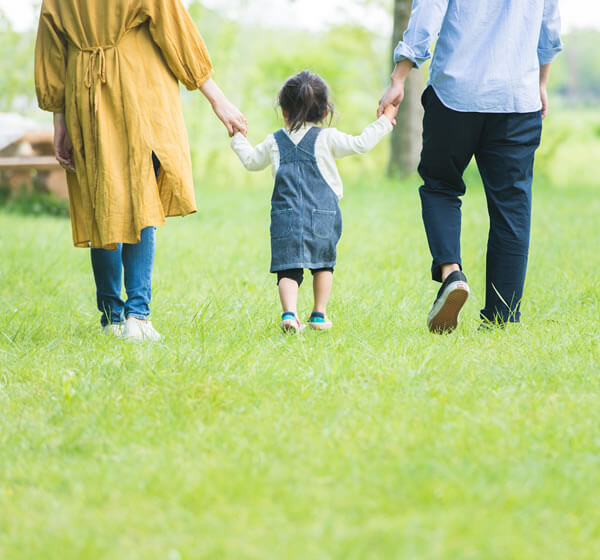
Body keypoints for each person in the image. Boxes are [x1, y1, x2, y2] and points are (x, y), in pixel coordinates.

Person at [34, 0, 247, 341]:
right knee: (140, 195)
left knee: (101, 199)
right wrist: (217, 99)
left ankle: (111, 318)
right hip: (137, 91)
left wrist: (59, 119)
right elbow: (175, 31)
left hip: (84, 95)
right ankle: (138, 315)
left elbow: (51, 48)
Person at [378, 0, 562, 333]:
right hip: (517, 99)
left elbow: (426, 17)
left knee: (441, 186)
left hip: (456, 96)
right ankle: (501, 318)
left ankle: (452, 274)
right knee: (512, 206)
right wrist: (541, 82)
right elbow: (549, 30)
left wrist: (399, 76)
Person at [231, 71, 397, 333]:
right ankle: (318, 315)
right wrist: (386, 120)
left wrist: (237, 137)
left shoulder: (274, 141)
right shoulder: (328, 138)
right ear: (323, 112)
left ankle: (289, 314)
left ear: (284, 111)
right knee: (323, 264)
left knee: (288, 268)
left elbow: (251, 161)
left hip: (286, 215)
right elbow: (361, 144)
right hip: (323, 214)